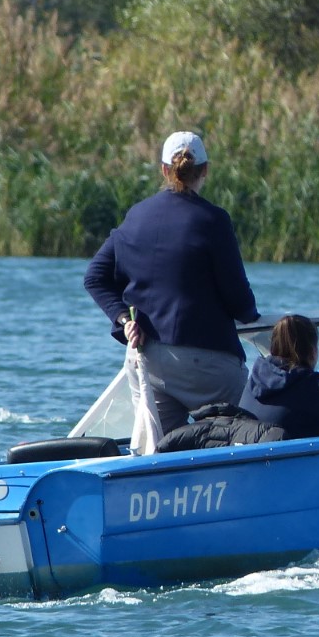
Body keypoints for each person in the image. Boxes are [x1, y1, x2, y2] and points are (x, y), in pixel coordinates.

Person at [84, 130, 261, 449]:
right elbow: (240, 303)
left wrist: (124, 320)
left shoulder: (136, 216)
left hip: (150, 362)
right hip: (209, 365)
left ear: (164, 169)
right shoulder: (214, 220)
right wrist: (251, 314)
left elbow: (95, 277)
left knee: (161, 452)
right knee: (246, 438)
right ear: (205, 170)